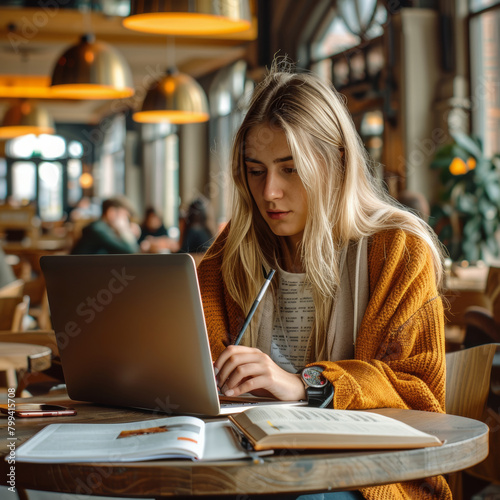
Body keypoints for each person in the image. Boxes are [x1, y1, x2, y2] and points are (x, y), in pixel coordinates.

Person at [197, 65, 450, 500]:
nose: (270, 192)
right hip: (248, 463)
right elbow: (196, 360)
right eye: (255, 171)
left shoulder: (397, 249)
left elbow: (420, 393)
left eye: (290, 169)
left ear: (336, 162)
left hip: (369, 475)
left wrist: (304, 383)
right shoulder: (232, 252)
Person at [71, 196, 139, 255]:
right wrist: (125, 231)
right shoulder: (98, 229)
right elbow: (130, 252)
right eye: (124, 216)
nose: (126, 221)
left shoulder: (103, 228)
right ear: (111, 213)